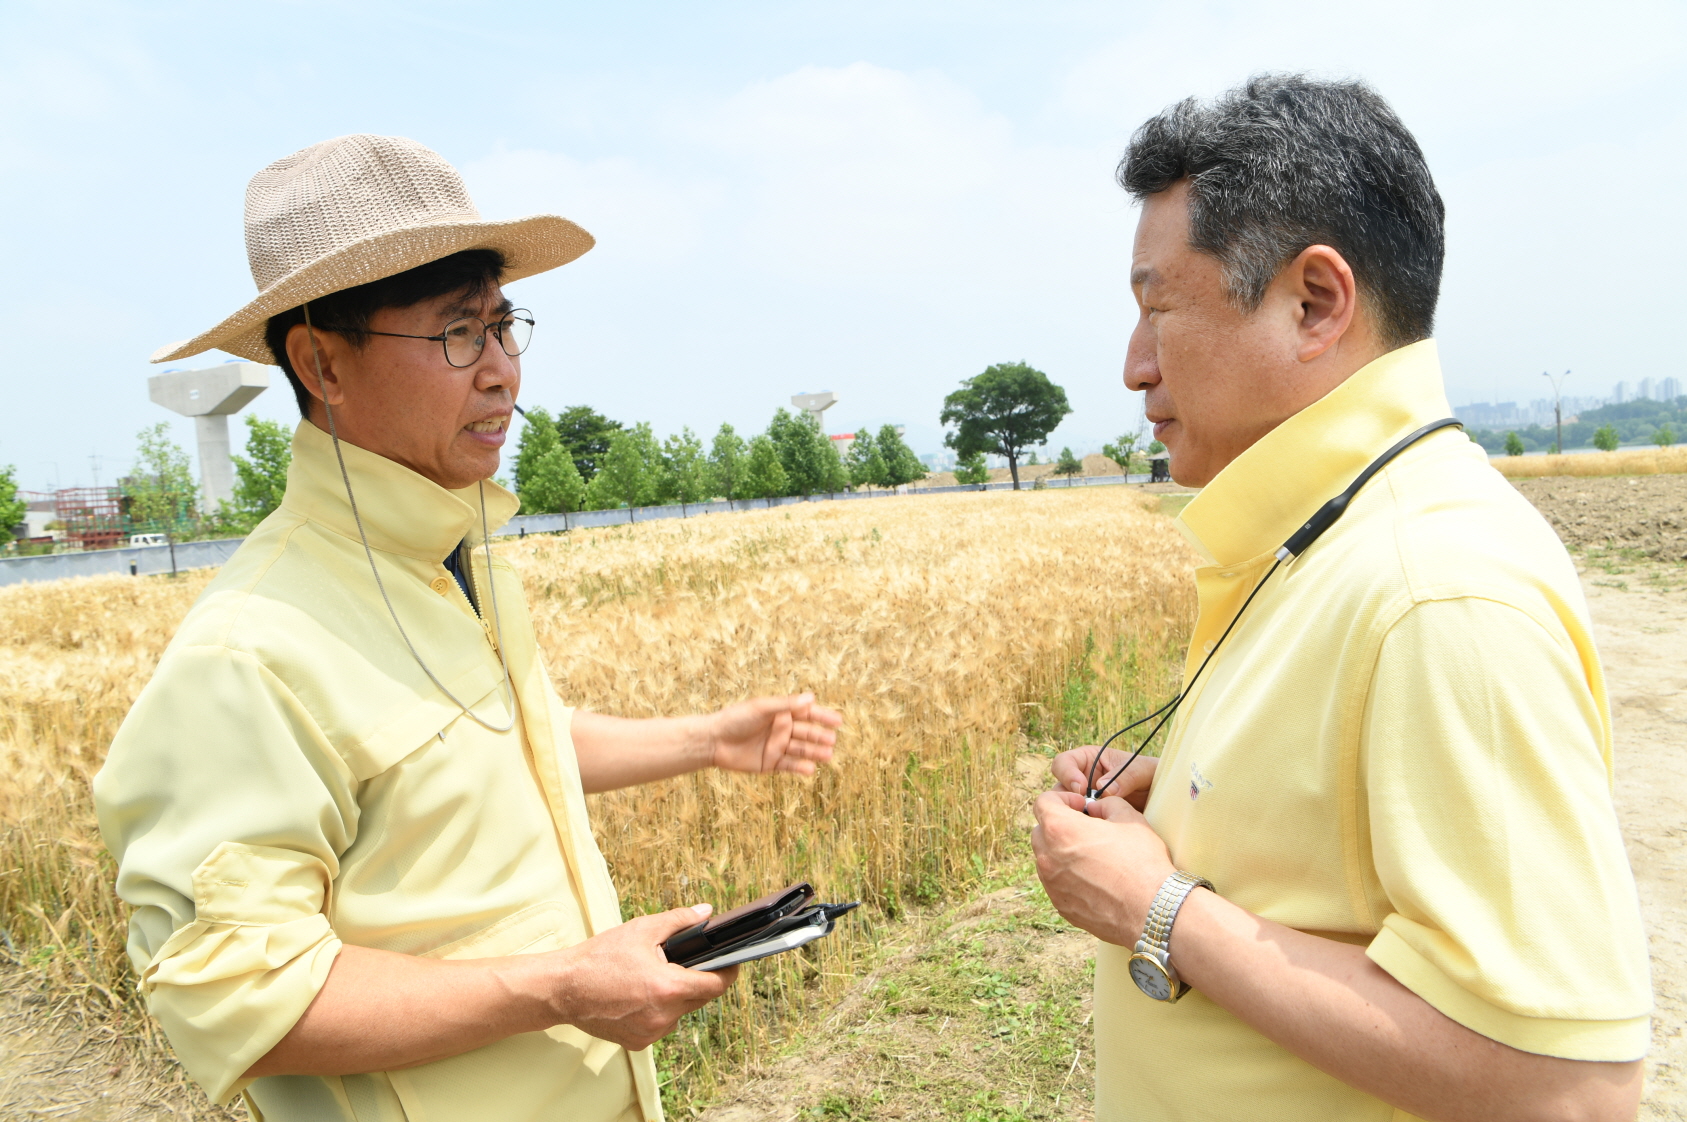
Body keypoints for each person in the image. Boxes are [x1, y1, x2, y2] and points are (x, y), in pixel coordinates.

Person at [94, 134, 842, 1122]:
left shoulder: (458, 558)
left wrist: (706, 740)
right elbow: (239, 995)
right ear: (322, 361)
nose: (502, 374)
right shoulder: (250, 647)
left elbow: (502, 743)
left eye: (504, 326)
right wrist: (561, 987)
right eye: (457, 335)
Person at [1031, 76, 1650, 1122]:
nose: (1133, 368)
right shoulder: (1329, 540)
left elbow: (1567, 1092)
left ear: (1313, 303)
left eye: (1157, 309)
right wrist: (1189, 789)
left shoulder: (1433, 588)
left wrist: (1157, 909)